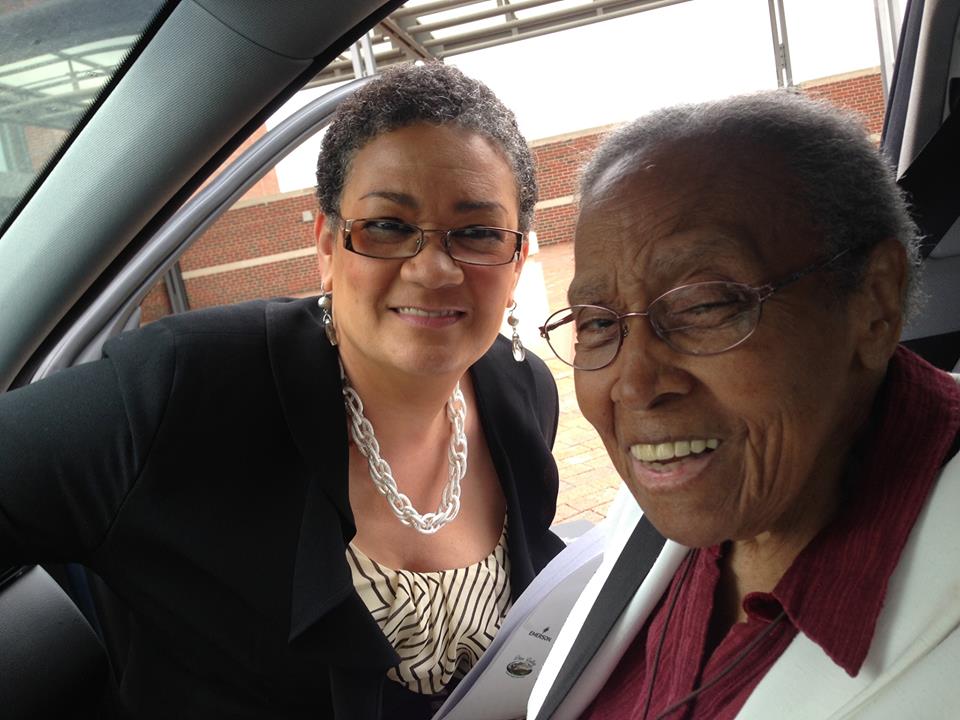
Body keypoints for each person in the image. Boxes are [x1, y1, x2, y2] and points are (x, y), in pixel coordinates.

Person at [0, 62, 565, 719]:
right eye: (386, 225)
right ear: (327, 246)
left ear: (519, 256)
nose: (433, 268)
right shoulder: (188, 391)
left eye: (477, 233)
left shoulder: (523, 393)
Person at [528, 91, 960, 719]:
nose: (635, 383)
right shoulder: (675, 496)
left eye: (704, 306)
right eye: (597, 323)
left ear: (874, 304)